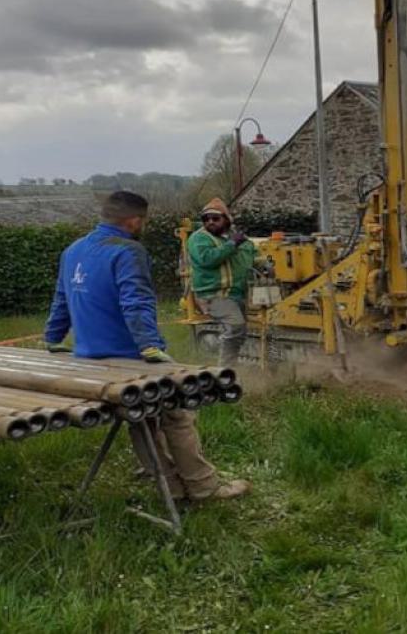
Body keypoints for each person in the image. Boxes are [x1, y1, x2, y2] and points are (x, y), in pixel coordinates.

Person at [44, 191, 251, 502]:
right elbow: (136, 301)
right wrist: (150, 347)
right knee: (178, 415)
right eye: (143, 221)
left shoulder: (72, 251)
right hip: (130, 357)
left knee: (139, 418)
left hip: (90, 358)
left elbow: (61, 299)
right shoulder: (128, 251)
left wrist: (53, 336)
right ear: (134, 220)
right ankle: (203, 486)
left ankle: (169, 486)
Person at [187, 198, 257, 367]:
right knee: (235, 328)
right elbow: (207, 259)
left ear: (226, 219)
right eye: (206, 219)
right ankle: (224, 372)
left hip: (236, 295)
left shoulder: (237, 239)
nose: (210, 222)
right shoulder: (199, 239)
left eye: (215, 218)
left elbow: (258, 254)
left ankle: (229, 367)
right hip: (213, 295)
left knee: (239, 333)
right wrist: (233, 244)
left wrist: (269, 263)